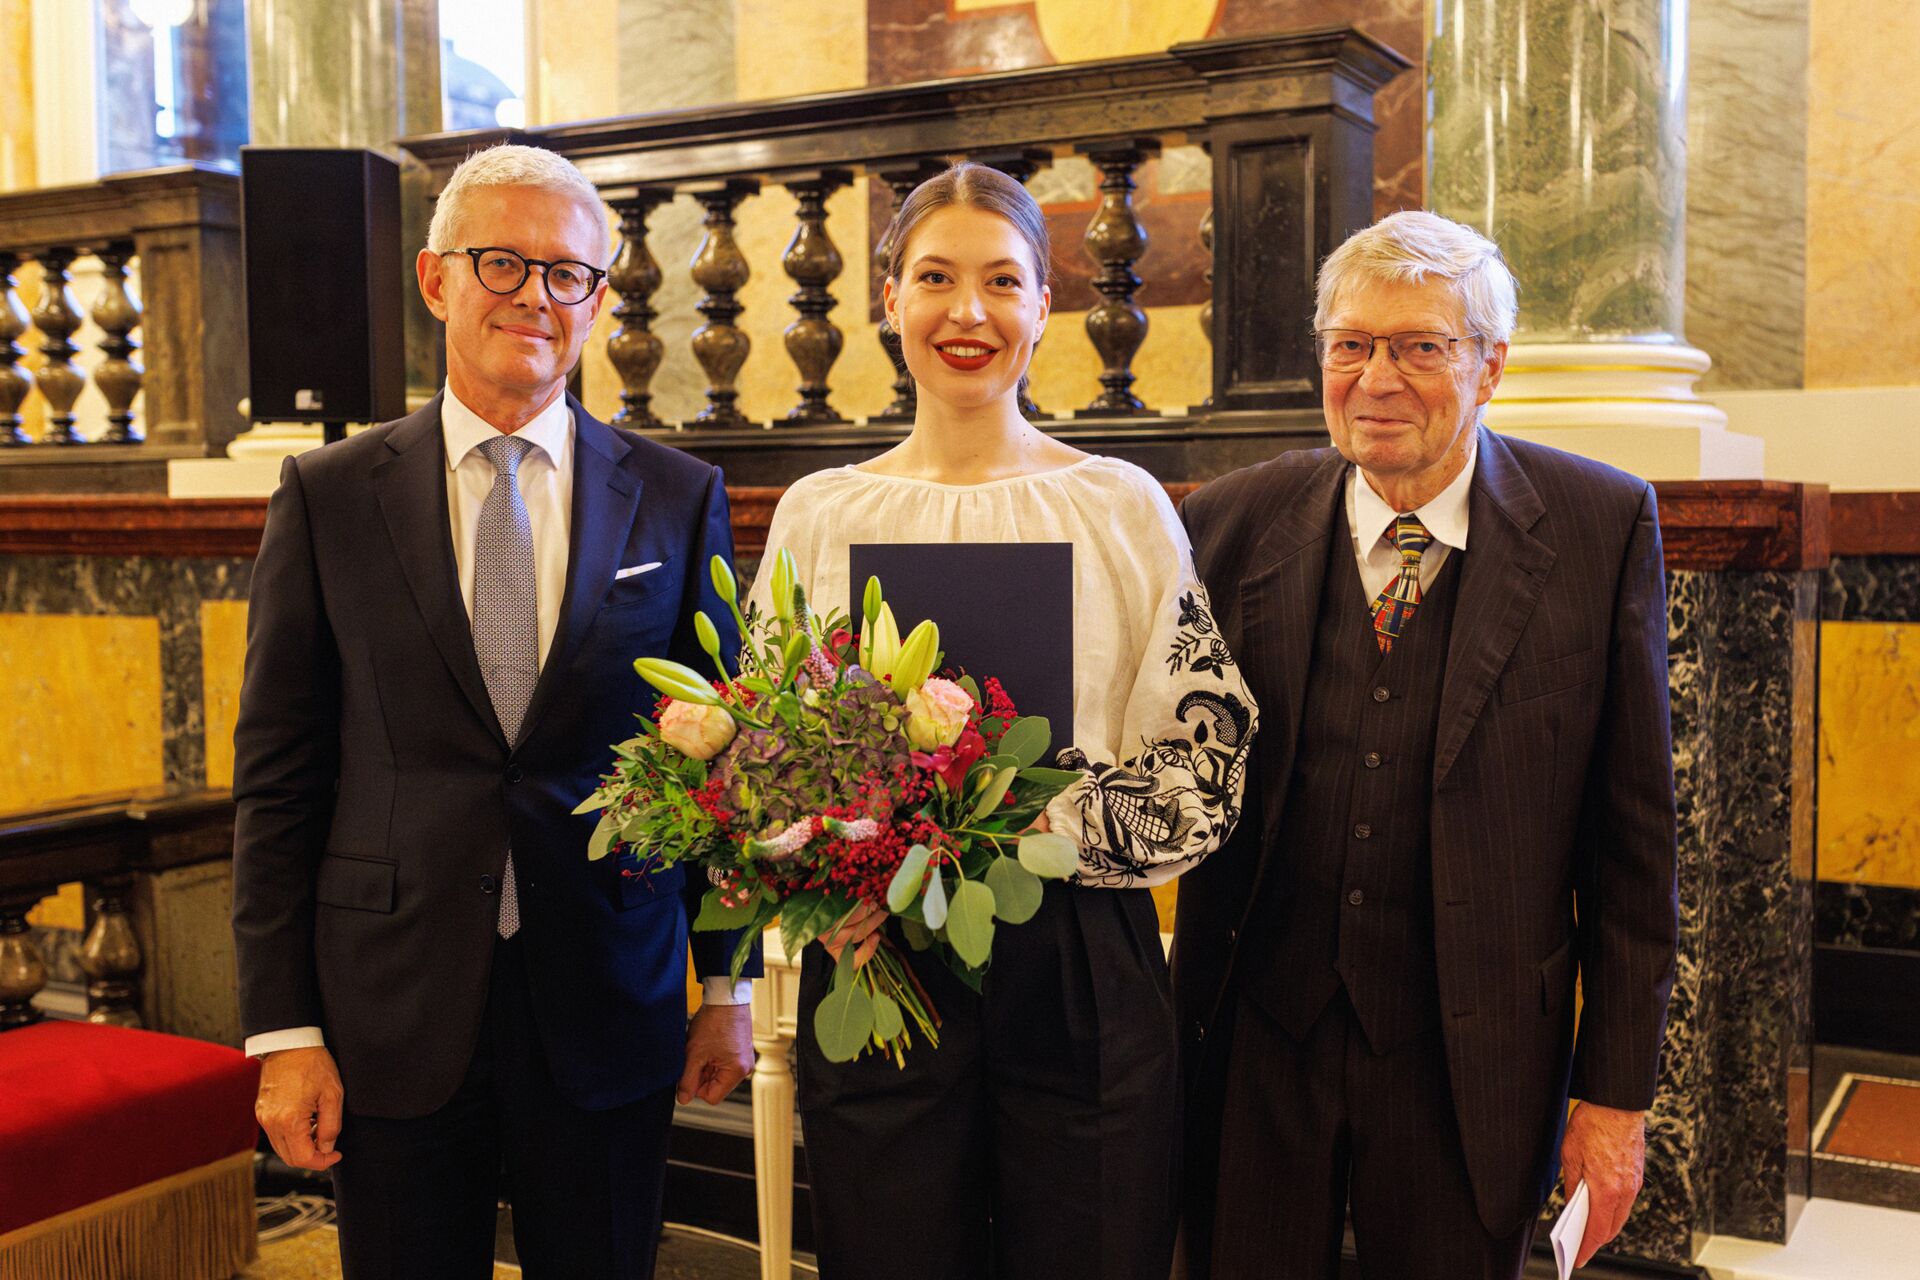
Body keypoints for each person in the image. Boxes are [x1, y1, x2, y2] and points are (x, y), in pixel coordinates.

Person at [231, 143, 757, 1279]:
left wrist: (727, 984)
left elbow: (721, 764)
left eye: (565, 273)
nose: (534, 296)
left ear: (600, 299)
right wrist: (284, 1032)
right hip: (392, 1001)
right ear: (436, 279)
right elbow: (280, 774)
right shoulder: (327, 496)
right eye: (502, 263)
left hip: (608, 991)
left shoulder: (678, 496)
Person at [748, 162, 1257, 1280]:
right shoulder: (820, 514)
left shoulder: (1118, 504)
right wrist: (827, 873)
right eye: (935, 277)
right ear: (889, 298)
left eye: (1002, 281)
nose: (966, 312)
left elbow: (1204, 758)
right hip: (881, 955)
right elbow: (763, 754)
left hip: (1078, 957)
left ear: (1044, 307)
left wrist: (1017, 822)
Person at [1173, 209, 1678, 1279]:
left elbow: (1634, 851)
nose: (1377, 378)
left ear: (1490, 367)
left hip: (1472, 1053)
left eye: (1419, 346)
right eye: (1351, 345)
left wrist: (1617, 1098)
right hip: (1262, 1031)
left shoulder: (1599, 526)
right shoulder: (1227, 523)